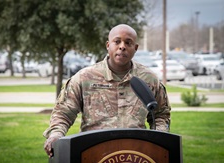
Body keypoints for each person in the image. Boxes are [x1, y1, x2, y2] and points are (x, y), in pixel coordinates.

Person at [43, 24, 171, 157]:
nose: (122, 46)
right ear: (108, 45)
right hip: (92, 152)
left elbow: (161, 114)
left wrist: (158, 140)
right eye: (117, 41)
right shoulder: (84, 77)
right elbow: (63, 112)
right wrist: (56, 135)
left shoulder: (149, 79)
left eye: (128, 42)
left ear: (136, 48)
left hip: (135, 154)